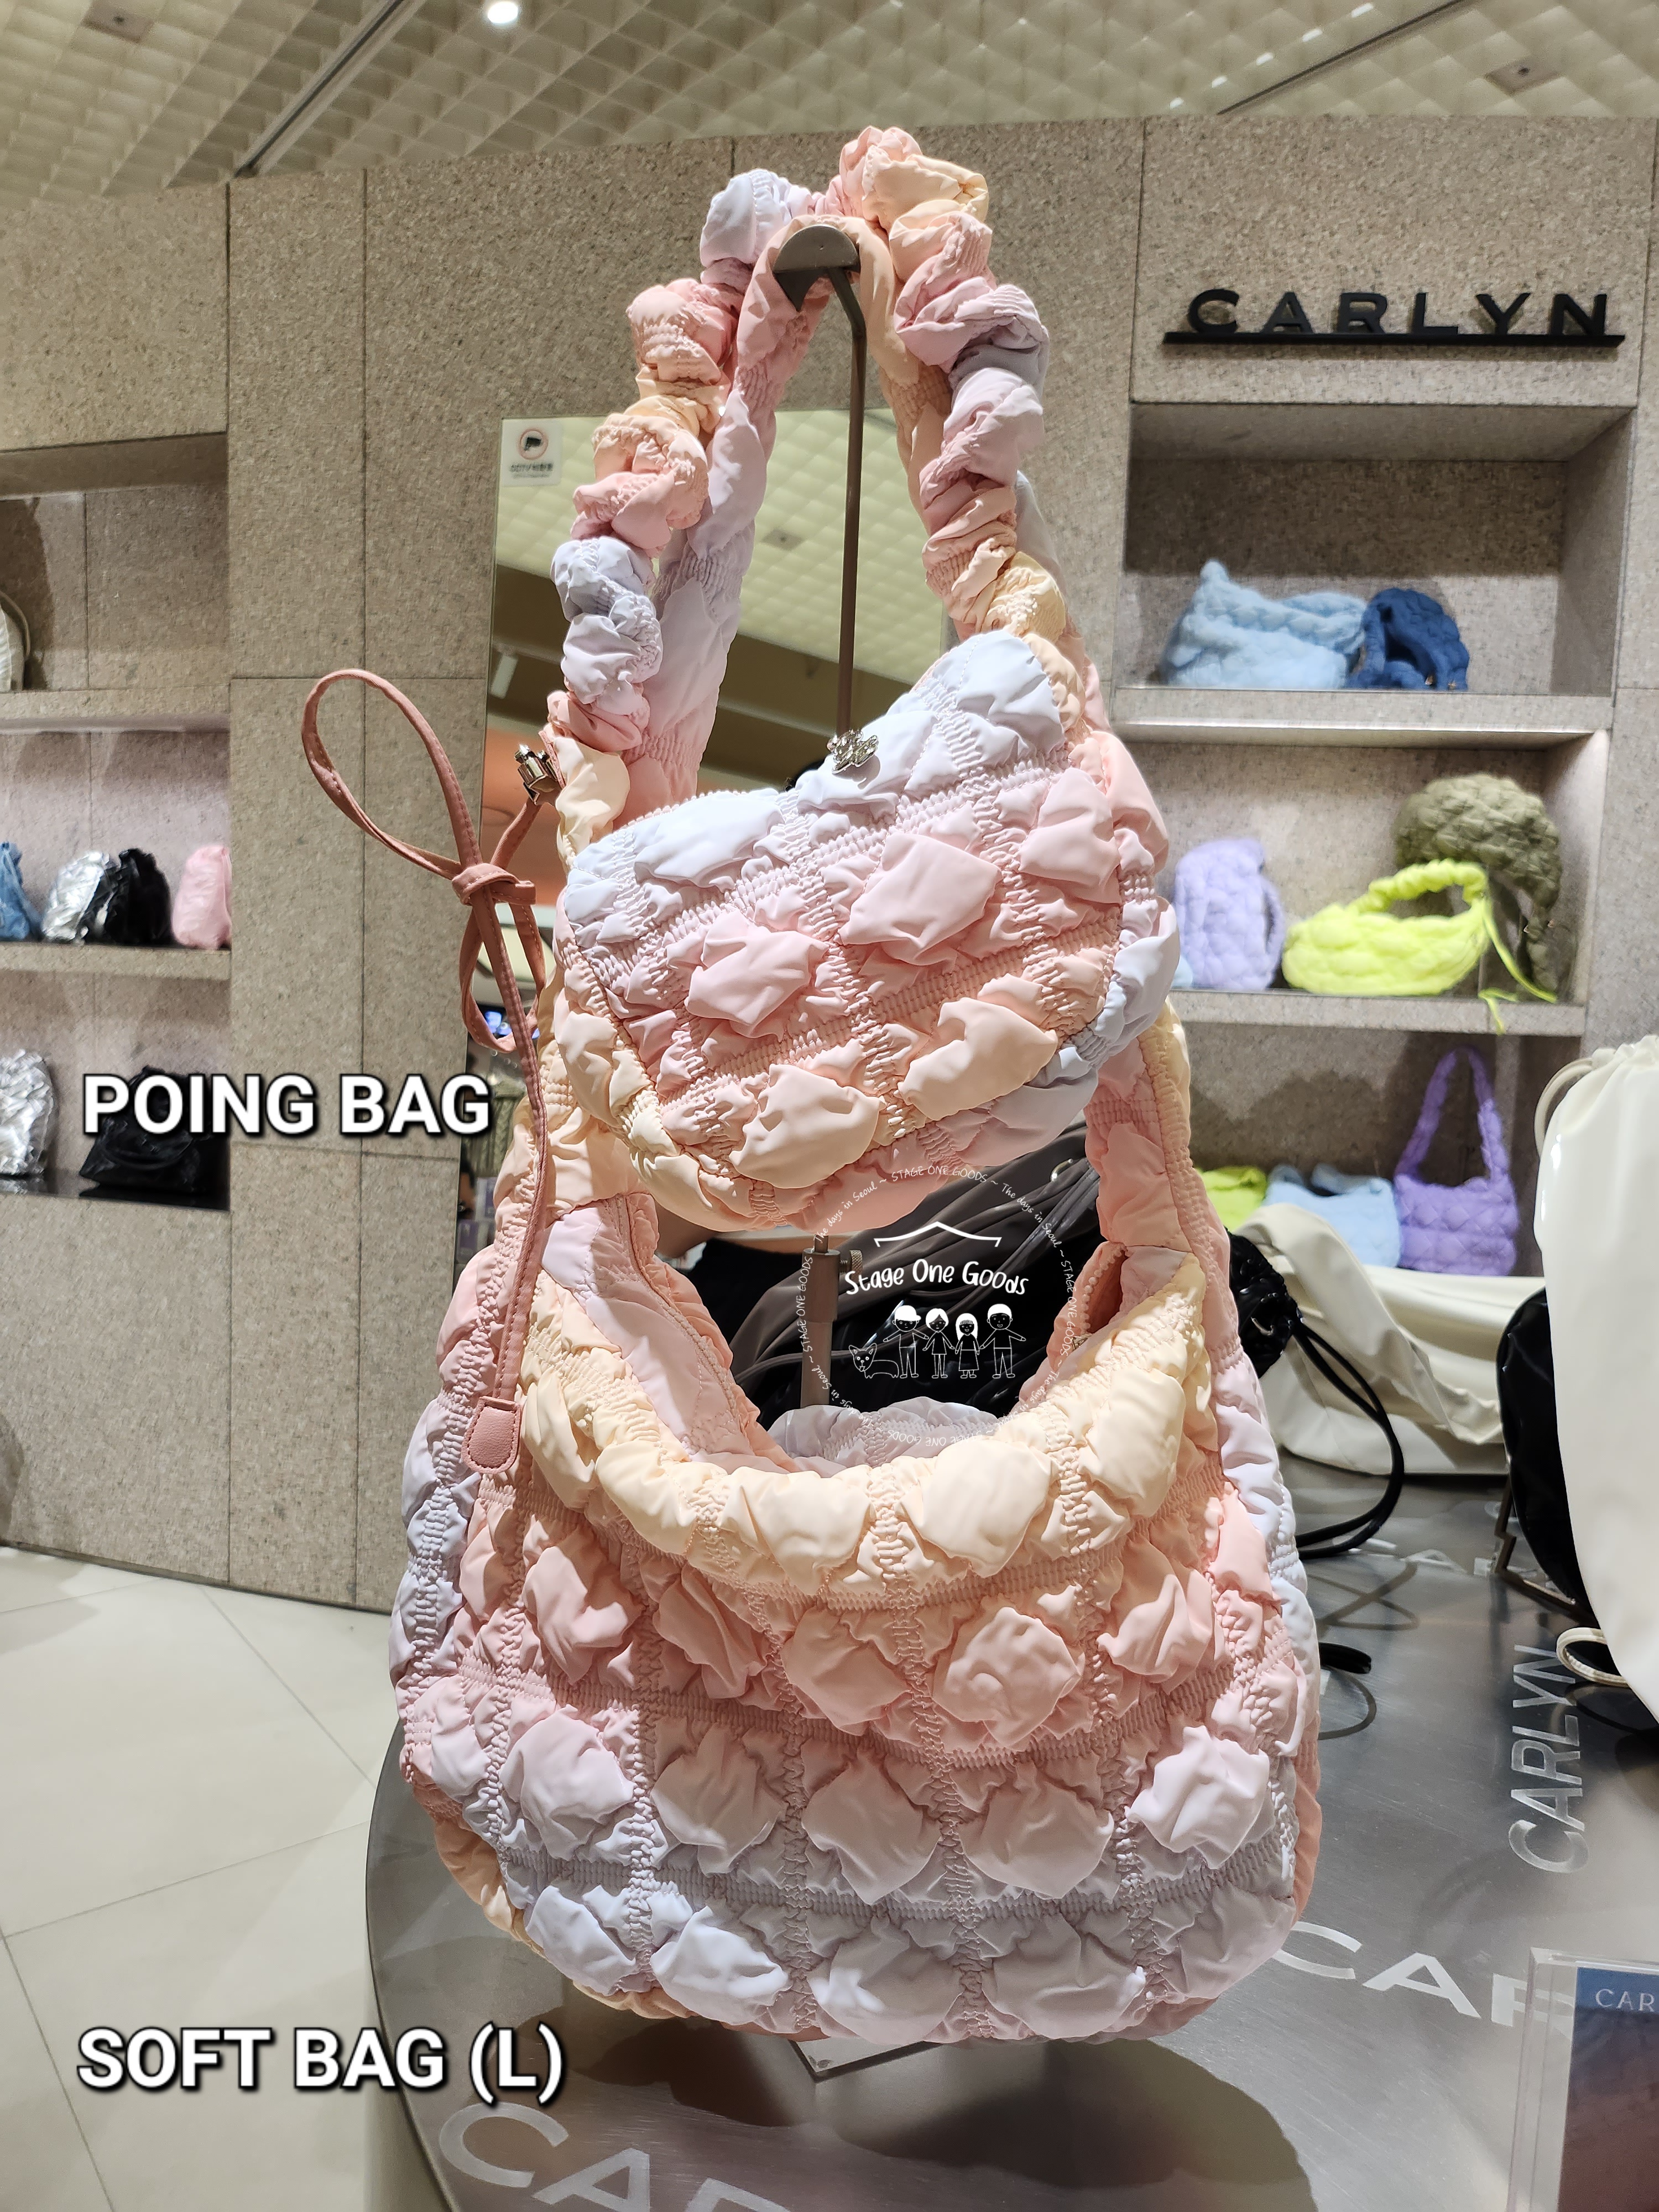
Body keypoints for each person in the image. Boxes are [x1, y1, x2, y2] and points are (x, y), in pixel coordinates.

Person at [984, 1301, 1025, 1380]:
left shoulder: (1004, 1332)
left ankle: (1007, 1372)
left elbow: (1014, 1335)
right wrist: (984, 1345)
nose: (999, 1321)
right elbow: (990, 1339)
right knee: (1000, 1362)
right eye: (995, 1318)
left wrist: (1021, 1338)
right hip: (998, 1349)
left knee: (1006, 1361)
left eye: (1003, 1318)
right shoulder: (996, 1332)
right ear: (989, 1321)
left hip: (1005, 1348)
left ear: (1010, 1319)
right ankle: (999, 1373)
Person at [954, 1311, 980, 1377]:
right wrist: (957, 1350)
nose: (967, 1328)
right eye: (963, 1326)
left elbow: (975, 1343)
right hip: (964, 1351)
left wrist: (977, 1350)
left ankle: (971, 1374)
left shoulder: (972, 1337)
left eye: (970, 1326)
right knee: (964, 1363)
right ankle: (965, 1374)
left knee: (972, 1363)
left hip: (971, 1351)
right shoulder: (963, 1337)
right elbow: (960, 1343)